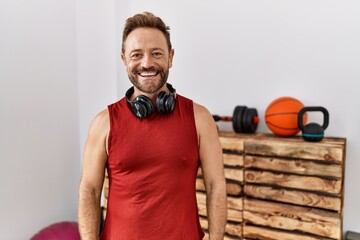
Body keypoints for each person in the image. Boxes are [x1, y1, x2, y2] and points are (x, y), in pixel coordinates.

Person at [78, 12, 227, 240]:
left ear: (171, 57)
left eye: (156, 53)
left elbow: (216, 185)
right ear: (124, 59)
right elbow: (89, 189)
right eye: (136, 55)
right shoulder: (103, 123)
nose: (147, 63)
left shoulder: (200, 118)